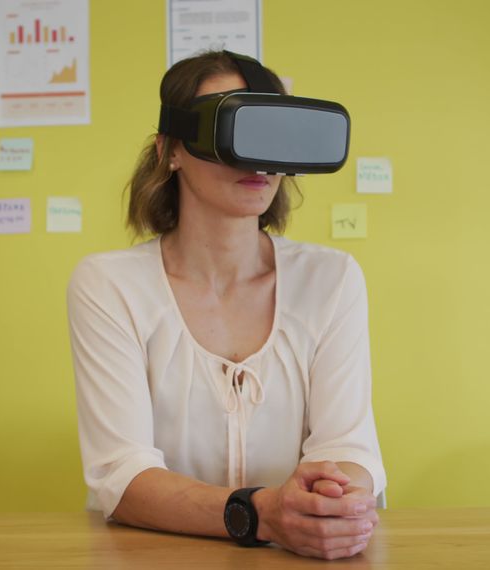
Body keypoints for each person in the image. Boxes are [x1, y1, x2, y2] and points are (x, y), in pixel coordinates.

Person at [66, 51, 386, 560]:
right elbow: (121, 474)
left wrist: (329, 505)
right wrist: (262, 514)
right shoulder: (109, 285)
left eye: (273, 134)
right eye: (233, 125)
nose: (258, 159)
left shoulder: (331, 279)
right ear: (170, 148)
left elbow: (347, 448)